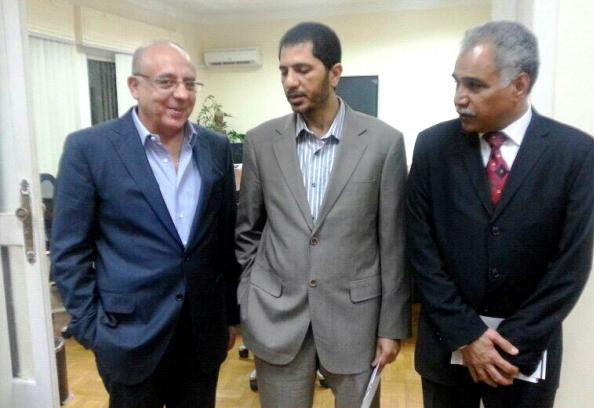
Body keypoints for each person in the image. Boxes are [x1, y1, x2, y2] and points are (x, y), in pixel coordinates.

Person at [407, 20, 594, 408]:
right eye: (457, 83)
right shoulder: (433, 147)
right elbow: (420, 248)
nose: (460, 98)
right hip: (447, 347)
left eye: (475, 86)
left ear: (519, 85)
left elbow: (570, 266)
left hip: (523, 358)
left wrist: (509, 345)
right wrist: (467, 335)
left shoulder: (574, 154)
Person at [52, 41, 239, 407]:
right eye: (166, 82)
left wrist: (230, 316)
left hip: (202, 333)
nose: (181, 94)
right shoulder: (89, 149)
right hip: (128, 335)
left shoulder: (215, 147)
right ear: (134, 86)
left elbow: (224, 239)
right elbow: (69, 251)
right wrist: (91, 328)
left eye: (189, 83)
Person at [235, 22, 411, 408]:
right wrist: (250, 295)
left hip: (357, 322)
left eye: (302, 69)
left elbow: (394, 244)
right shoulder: (261, 142)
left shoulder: (383, 143)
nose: (290, 81)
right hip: (276, 317)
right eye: (284, 71)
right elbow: (248, 230)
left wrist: (391, 326)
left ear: (335, 73)